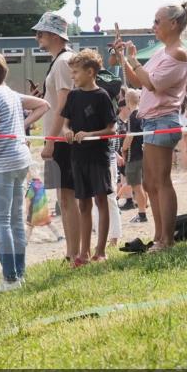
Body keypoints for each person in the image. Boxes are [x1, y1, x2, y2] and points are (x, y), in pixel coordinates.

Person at [114, 3, 187, 250]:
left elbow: (153, 84)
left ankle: (166, 240)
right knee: (150, 183)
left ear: (173, 24)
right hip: (152, 121)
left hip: (163, 120)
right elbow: (139, 80)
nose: (153, 26)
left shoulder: (178, 53)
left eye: (157, 21)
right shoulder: (163, 52)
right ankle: (159, 237)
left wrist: (134, 60)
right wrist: (124, 58)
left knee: (161, 181)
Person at [0, 51, 50, 290]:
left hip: (2, 164)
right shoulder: (10, 93)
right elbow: (43, 104)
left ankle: (9, 278)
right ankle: (19, 274)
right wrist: (21, 126)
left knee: (1, 222)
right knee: (16, 221)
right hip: (20, 160)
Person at [60, 49, 117, 265]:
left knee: (101, 200)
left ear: (90, 72)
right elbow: (66, 121)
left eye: (75, 72)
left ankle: (100, 251)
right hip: (78, 156)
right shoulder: (73, 96)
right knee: (83, 204)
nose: (73, 76)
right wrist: (66, 130)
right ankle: (82, 253)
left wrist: (90, 135)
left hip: (97, 156)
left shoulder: (102, 96)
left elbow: (111, 128)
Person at [32, 11, 80, 265]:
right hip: (62, 136)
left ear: (53, 35)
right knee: (67, 199)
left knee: (68, 199)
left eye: (41, 32)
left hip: (62, 139)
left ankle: (75, 254)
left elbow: (64, 101)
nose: (37, 36)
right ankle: (74, 252)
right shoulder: (62, 60)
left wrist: (51, 140)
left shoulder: (63, 61)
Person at [120, 90, 149, 223]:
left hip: (134, 155)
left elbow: (130, 136)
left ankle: (142, 214)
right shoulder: (142, 114)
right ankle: (144, 208)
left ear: (127, 100)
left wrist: (123, 148)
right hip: (143, 153)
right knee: (142, 185)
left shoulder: (133, 116)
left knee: (137, 186)